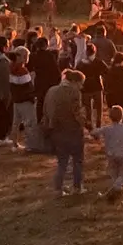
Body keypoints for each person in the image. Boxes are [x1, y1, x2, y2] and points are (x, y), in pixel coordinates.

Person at [43, 64, 87, 196]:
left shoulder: (51, 90)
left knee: (62, 162)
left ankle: (58, 188)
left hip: (56, 131)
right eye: (80, 84)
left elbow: (45, 110)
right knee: (77, 161)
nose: (81, 87)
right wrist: (85, 123)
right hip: (72, 130)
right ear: (74, 82)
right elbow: (77, 113)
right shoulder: (74, 93)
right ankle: (77, 187)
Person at [92, 103, 123, 199]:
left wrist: (92, 131)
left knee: (113, 172)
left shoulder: (107, 129)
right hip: (122, 154)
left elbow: (95, 132)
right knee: (122, 172)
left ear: (109, 117)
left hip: (111, 155)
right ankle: (117, 187)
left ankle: (114, 187)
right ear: (122, 116)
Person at [8, 47, 37, 149]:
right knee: (29, 123)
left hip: (16, 99)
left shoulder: (11, 66)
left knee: (16, 123)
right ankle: (31, 145)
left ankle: (14, 143)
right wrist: (32, 97)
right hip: (25, 100)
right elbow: (27, 87)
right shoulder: (22, 70)